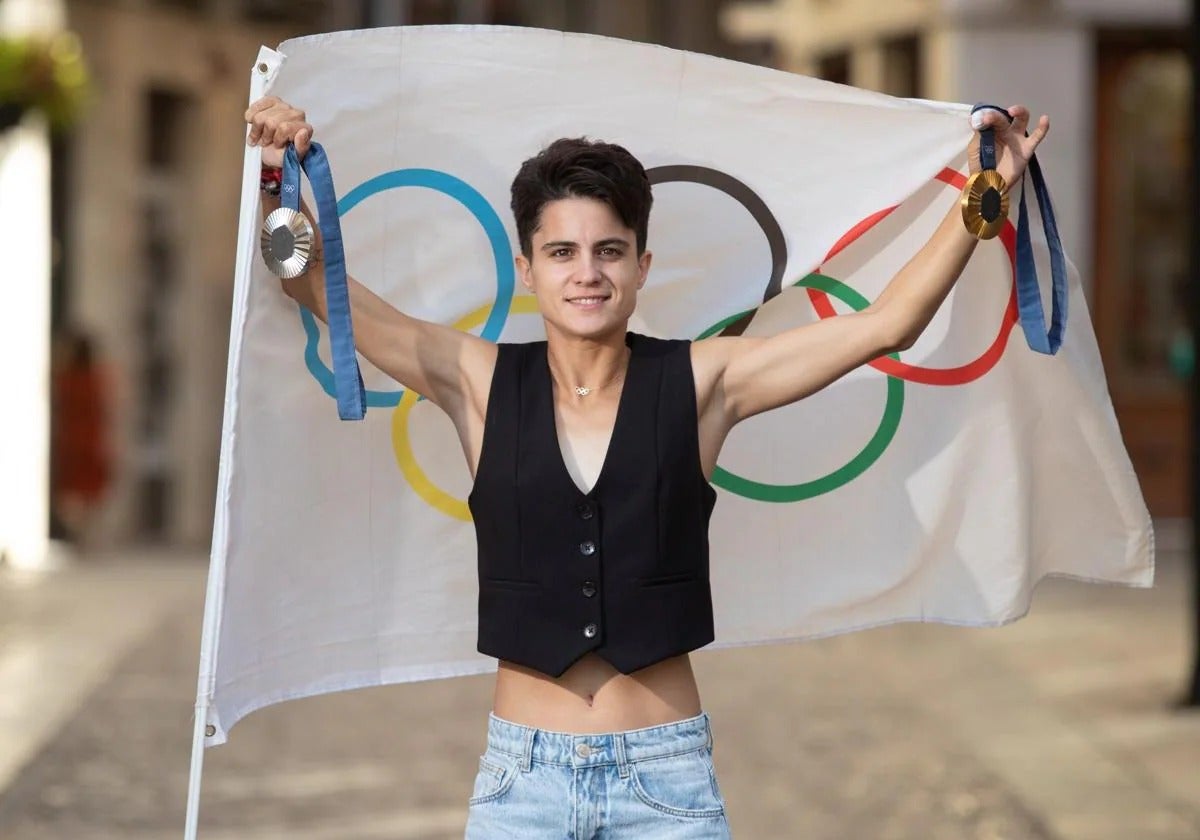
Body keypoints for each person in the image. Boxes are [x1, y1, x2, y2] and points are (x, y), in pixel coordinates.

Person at [245, 95, 1049, 838]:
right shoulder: (476, 380)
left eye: (609, 251)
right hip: (520, 787)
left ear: (642, 265)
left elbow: (887, 322)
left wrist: (990, 189)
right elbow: (314, 282)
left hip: (667, 788)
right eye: (561, 252)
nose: (586, 273)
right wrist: (277, 179)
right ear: (527, 269)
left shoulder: (705, 382)